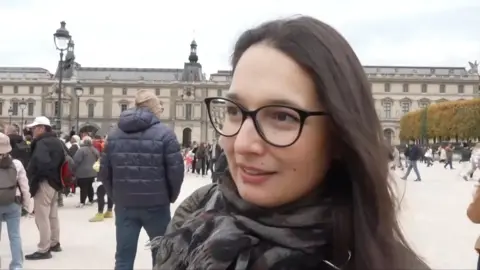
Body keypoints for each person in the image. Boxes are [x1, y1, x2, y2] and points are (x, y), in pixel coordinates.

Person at [152, 16, 429, 270]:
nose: (243, 144)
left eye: (282, 116)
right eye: (234, 110)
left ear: (340, 135)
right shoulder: (194, 215)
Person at [100, 89, 184, 269]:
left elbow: (105, 172)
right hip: (157, 204)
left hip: (125, 205)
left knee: (123, 257)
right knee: (161, 255)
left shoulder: (114, 134)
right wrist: (170, 196)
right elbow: (176, 171)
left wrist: (115, 196)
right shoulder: (165, 133)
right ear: (155, 108)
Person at [24, 116, 65, 260]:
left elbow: (40, 163)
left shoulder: (42, 143)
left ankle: (43, 248)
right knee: (52, 215)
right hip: (55, 182)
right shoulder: (57, 141)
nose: (32, 131)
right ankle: (54, 242)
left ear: (41, 128)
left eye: (34, 128)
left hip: (44, 182)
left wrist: (35, 179)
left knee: (42, 217)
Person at [0, 132, 32, 270]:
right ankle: (17, 265)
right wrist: (27, 205)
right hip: (13, 202)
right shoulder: (17, 164)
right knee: (15, 236)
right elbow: (25, 187)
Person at [72, 136, 99, 208]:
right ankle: (90, 200)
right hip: (93, 172)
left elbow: (76, 161)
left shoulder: (81, 150)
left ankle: (82, 202)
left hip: (83, 172)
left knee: (83, 187)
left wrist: (73, 169)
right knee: (90, 186)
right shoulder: (94, 150)